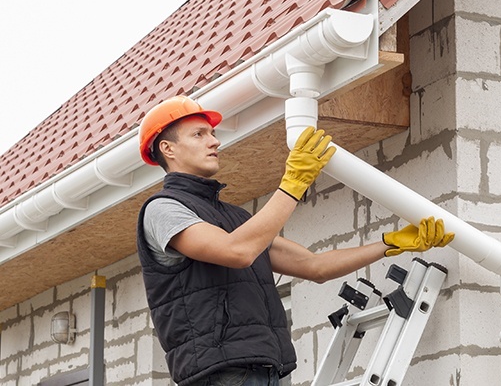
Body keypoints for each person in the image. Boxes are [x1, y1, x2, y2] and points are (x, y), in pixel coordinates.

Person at [136, 96, 454, 386]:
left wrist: (389, 242)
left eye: (213, 133)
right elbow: (237, 251)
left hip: (270, 369)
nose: (214, 141)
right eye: (199, 134)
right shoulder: (163, 210)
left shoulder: (237, 219)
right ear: (168, 149)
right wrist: (294, 183)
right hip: (221, 374)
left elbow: (313, 266)